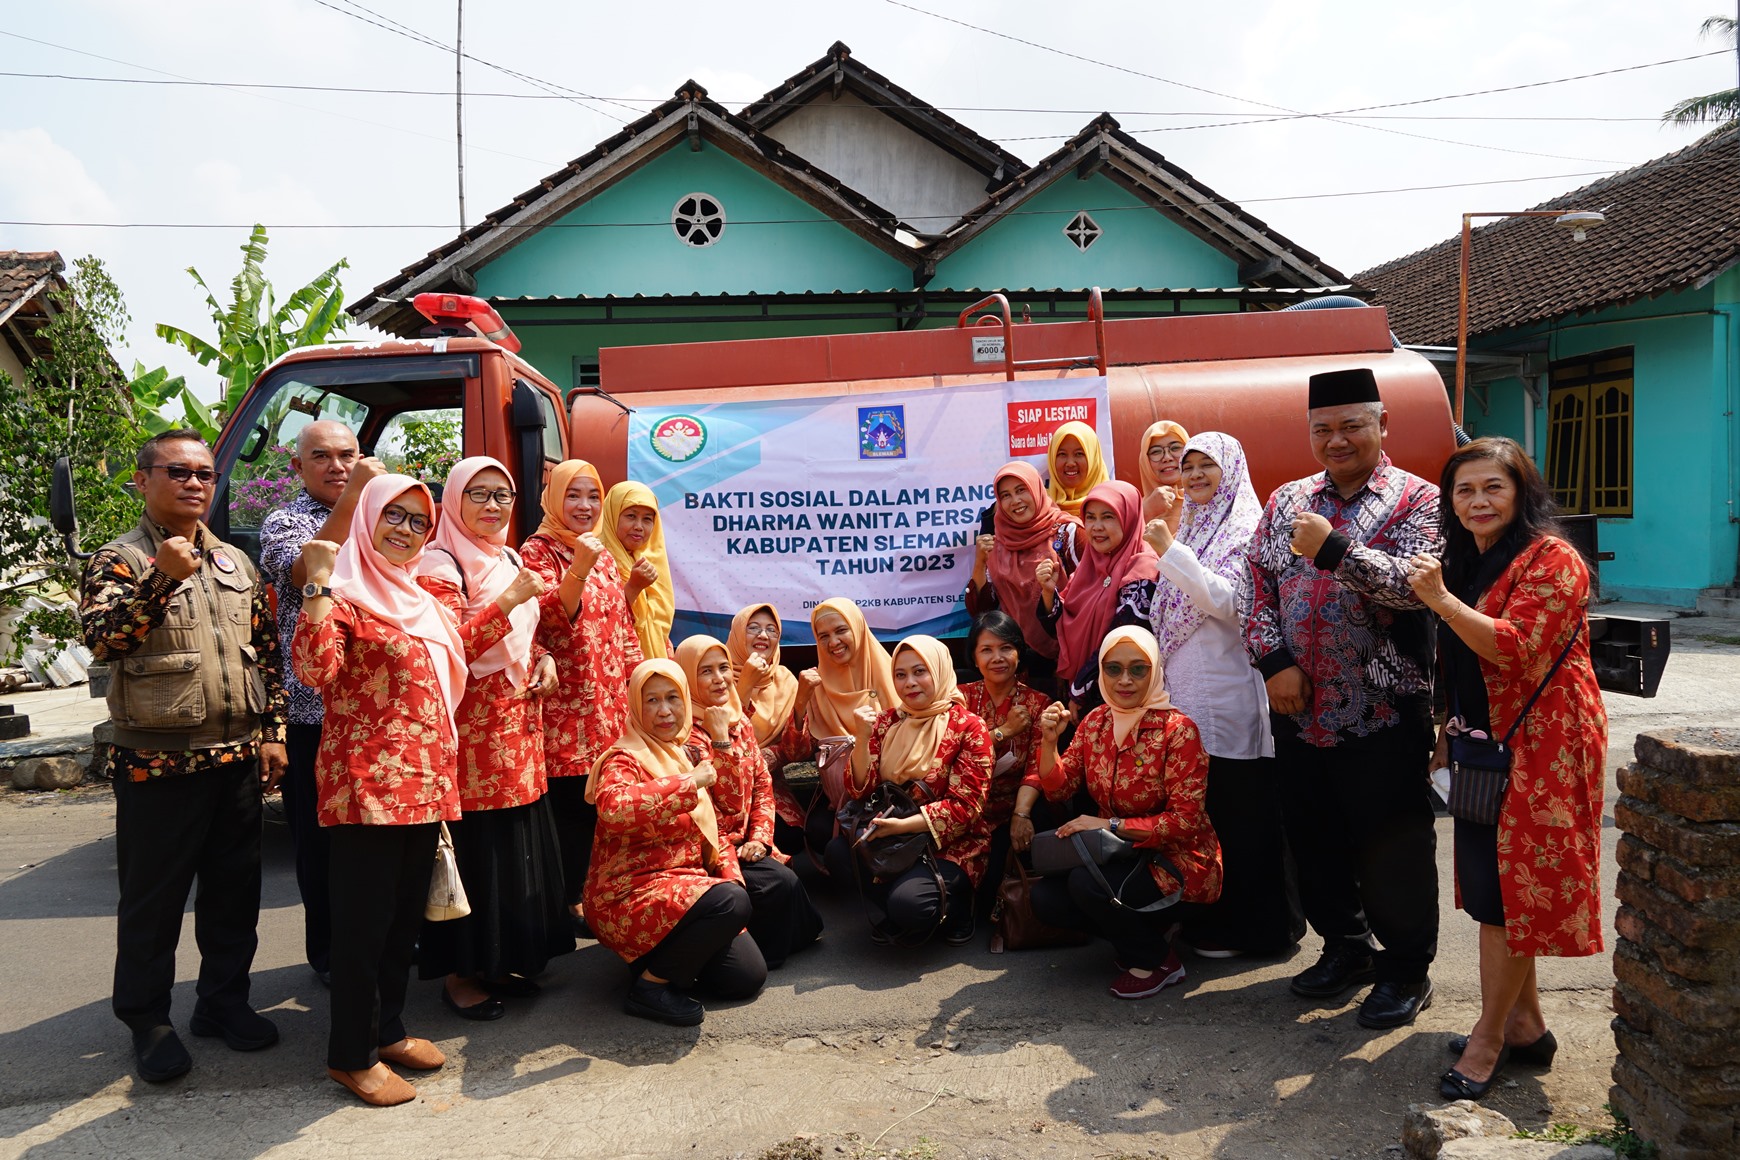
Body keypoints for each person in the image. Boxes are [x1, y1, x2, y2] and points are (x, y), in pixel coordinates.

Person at [293, 474, 541, 1106]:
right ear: (366, 519)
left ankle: (388, 1030)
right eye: (392, 517)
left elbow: (461, 643)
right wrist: (317, 583)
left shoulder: (417, 598)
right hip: (368, 792)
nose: (404, 530)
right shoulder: (346, 596)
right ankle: (350, 1054)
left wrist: (515, 614)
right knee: (363, 927)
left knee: (402, 924)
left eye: (416, 521)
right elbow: (314, 670)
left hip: (428, 784)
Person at [78, 429, 288, 1083]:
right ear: (143, 480)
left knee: (234, 897)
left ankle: (222, 1004)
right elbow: (104, 641)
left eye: (205, 472)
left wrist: (274, 730)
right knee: (153, 903)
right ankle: (147, 1021)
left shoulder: (235, 562)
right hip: (156, 765)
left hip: (235, 762)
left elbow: (268, 649)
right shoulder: (119, 558)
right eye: (179, 470)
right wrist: (159, 583)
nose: (196, 482)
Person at [1402, 437, 1606, 1101]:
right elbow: (1457, 661)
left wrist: (1439, 600)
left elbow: (1512, 648)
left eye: (1493, 486)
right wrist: (1443, 734)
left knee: (1512, 900)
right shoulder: (1470, 561)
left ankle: (1488, 1042)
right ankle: (1526, 1025)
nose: (1479, 500)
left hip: (1545, 746)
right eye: (1465, 490)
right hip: (1483, 744)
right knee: (1494, 891)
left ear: (1520, 492)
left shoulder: (1554, 559)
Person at [1246, 367, 1443, 1030]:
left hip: (1384, 711)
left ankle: (1406, 970)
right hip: (1301, 713)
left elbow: (1415, 591)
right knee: (1314, 838)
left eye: (1351, 425)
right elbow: (1256, 588)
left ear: (1382, 426)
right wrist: (1273, 662)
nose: (1336, 440)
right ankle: (1345, 949)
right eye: (1322, 429)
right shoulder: (1286, 500)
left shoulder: (1420, 501)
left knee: (1393, 845)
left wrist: (1335, 550)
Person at [417, 457, 573, 1018]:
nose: (491, 506)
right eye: (478, 494)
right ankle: (462, 975)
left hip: (520, 731)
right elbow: (447, 647)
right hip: (471, 739)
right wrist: (507, 601)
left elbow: (526, 637)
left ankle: (500, 961)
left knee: (513, 846)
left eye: (502, 496)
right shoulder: (439, 562)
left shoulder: (507, 557)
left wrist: (546, 660)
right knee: (478, 851)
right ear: (452, 501)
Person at [1144, 432, 1303, 958]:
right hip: (1191, 702)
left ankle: (1262, 931)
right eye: (1187, 467)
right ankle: (1218, 920)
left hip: (1231, 701)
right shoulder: (1193, 525)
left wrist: (1170, 552)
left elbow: (1233, 603)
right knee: (1209, 818)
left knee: (1244, 820)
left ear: (1231, 469)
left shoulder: (1245, 529)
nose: (1193, 477)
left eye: (1206, 466)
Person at [1014, 627, 1222, 999]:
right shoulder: (1096, 722)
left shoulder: (1179, 731)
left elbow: (1186, 821)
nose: (1124, 680)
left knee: (1086, 884)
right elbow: (1060, 788)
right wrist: (1049, 743)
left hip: (1176, 862)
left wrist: (1111, 824)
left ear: (1155, 670)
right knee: (1046, 899)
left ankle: (1157, 960)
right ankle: (1143, 935)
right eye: (1113, 669)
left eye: (1138, 669)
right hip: (1117, 856)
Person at [258, 419, 384, 987]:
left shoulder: (389, 515)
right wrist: (357, 492)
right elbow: (307, 567)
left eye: (347, 455)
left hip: (382, 712)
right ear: (297, 468)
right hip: (315, 713)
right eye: (322, 457)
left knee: (381, 838)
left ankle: (386, 940)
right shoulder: (284, 521)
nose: (337, 466)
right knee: (320, 841)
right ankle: (331, 954)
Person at [585, 659, 767, 1026]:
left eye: (672, 698)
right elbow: (613, 808)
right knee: (732, 902)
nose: (664, 711)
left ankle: (659, 960)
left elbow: (731, 808)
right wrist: (689, 783)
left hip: (684, 887)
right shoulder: (623, 758)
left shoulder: (688, 751)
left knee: (746, 977)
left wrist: (720, 743)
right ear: (636, 705)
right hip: (627, 894)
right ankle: (650, 988)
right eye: (651, 701)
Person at [520, 460, 643, 936]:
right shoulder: (537, 552)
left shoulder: (605, 554)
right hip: (567, 710)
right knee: (571, 811)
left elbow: (621, 626)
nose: (585, 506)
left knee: (600, 811)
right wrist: (577, 569)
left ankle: (593, 893)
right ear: (552, 499)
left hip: (610, 707)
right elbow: (550, 622)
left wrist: (637, 688)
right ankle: (568, 901)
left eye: (593, 496)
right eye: (573, 495)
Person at [823, 635, 992, 946]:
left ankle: (956, 909)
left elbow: (966, 808)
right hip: (894, 836)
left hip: (946, 843)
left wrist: (900, 826)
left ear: (939, 671)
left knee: (909, 906)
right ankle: (903, 901)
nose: (910, 683)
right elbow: (859, 789)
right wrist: (861, 738)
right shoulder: (887, 721)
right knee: (837, 852)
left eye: (920, 671)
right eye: (900, 675)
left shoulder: (969, 727)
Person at [676, 635, 823, 967]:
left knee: (786, 880)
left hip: (744, 837)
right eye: (706, 671)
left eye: (724, 668)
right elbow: (724, 804)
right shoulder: (683, 734)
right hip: (709, 847)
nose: (719, 679)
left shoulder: (738, 719)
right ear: (686, 678)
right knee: (778, 883)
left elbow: (762, 785)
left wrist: (759, 839)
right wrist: (719, 740)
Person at [1039, 480, 1162, 716]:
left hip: (1119, 696)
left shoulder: (1143, 569)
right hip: (1079, 693)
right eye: (1091, 517)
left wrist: (1079, 691)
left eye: (1108, 517)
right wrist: (1047, 592)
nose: (1096, 526)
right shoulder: (1089, 567)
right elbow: (1058, 630)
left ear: (1129, 518)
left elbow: (1118, 641)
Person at [960, 611, 1054, 911]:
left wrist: (1021, 815)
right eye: (986, 650)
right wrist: (1006, 731)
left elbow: (1038, 764)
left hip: (1015, 806)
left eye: (1006, 648)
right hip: (968, 807)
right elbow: (954, 759)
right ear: (974, 658)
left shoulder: (1038, 703)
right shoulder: (960, 699)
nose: (997, 657)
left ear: (1018, 653)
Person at [967, 462, 1082, 692]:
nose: (1015, 501)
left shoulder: (1068, 533)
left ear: (1037, 489)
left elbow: (1090, 596)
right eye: (1006, 495)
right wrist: (980, 562)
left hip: (1072, 657)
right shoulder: (997, 541)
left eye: (1021, 490)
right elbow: (981, 609)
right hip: (1020, 666)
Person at [796, 597, 899, 856]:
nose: (833, 642)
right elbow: (795, 754)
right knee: (819, 833)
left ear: (858, 629)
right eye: (823, 636)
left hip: (892, 794)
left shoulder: (895, 674)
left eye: (841, 630)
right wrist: (800, 702)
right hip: (840, 798)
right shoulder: (815, 686)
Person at [599, 480, 675, 660]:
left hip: (654, 663)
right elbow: (598, 623)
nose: (639, 526)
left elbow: (660, 626)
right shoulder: (593, 559)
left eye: (647, 519)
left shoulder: (652, 561)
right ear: (612, 515)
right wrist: (633, 587)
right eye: (631, 516)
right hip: (614, 664)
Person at [1044, 420, 1110, 517]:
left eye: (1079, 454)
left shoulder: (1113, 505)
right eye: (1062, 454)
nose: (1070, 463)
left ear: (1093, 457)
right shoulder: (1039, 507)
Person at [1137, 420, 1189, 528]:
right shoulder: (1134, 511)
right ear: (1145, 461)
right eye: (1156, 452)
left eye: (1175, 448)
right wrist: (1147, 512)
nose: (1167, 458)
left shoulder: (1206, 502)